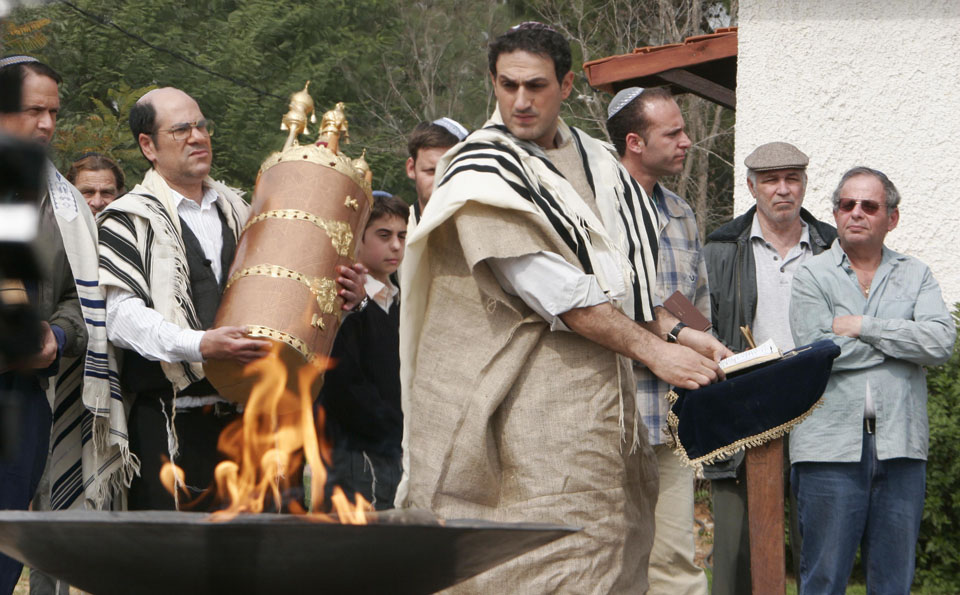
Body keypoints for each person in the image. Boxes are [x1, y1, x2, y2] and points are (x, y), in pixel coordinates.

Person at [397, 23, 728, 592]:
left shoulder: (603, 165)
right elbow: (555, 291)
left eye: (536, 85)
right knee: (537, 561)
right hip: (521, 413)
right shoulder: (481, 168)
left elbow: (629, 286)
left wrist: (683, 335)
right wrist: (657, 351)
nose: (521, 101)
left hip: (611, 413)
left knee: (616, 551)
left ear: (567, 84)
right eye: (508, 85)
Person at [789, 167, 954, 594]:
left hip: (901, 447)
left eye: (869, 206)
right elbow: (816, 352)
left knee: (894, 580)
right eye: (847, 205)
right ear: (836, 212)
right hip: (828, 449)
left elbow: (939, 343)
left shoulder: (915, 274)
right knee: (824, 578)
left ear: (891, 218)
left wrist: (864, 326)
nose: (856, 213)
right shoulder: (811, 275)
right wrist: (901, 339)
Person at [0, 55, 129, 595]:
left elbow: (83, 301)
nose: (48, 124)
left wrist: (55, 337)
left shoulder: (67, 205)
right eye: (34, 110)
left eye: (54, 111)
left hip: (21, 393)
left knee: (6, 540)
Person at [703, 141, 836, 595]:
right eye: (771, 180)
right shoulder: (720, 248)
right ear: (751, 186)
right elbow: (699, 321)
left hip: (818, 406)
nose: (783, 189)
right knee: (737, 550)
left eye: (792, 178)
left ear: (804, 184)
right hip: (743, 408)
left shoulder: (831, 246)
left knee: (817, 543)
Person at [607, 85, 708, 594]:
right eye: (674, 133)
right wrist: (674, 330)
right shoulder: (593, 211)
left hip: (669, 418)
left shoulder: (683, 214)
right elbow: (605, 305)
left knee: (674, 562)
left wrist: (701, 340)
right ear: (635, 142)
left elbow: (689, 299)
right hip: (606, 420)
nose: (688, 141)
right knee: (607, 561)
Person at [318, 194, 408, 510]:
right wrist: (393, 429)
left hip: (395, 450)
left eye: (402, 236)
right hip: (355, 455)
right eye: (384, 236)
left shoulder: (398, 300)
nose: (396, 246)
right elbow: (344, 382)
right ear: (358, 238)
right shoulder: (345, 300)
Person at [405, 117, 468, 223]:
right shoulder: (398, 231)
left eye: (450, 171)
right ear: (411, 168)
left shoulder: (481, 227)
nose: (440, 181)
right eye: (431, 171)